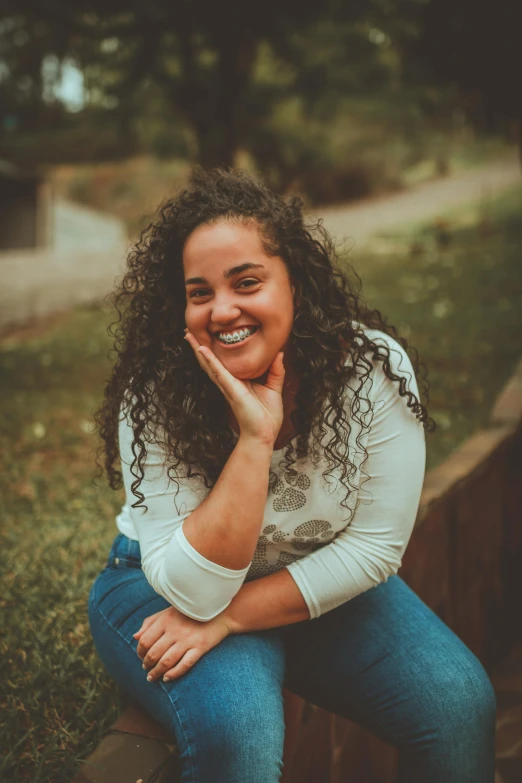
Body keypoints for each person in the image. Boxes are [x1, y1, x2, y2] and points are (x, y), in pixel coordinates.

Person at [89, 168, 496, 783]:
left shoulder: (371, 371)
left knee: (458, 703)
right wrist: (256, 440)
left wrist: (233, 617)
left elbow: (374, 548)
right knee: (239, 731)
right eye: (199, 293)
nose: (222, 309)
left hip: (310, 578)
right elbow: (195, 595)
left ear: (296, 285)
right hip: (165, 585)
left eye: (246, 281)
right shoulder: (157, 395)